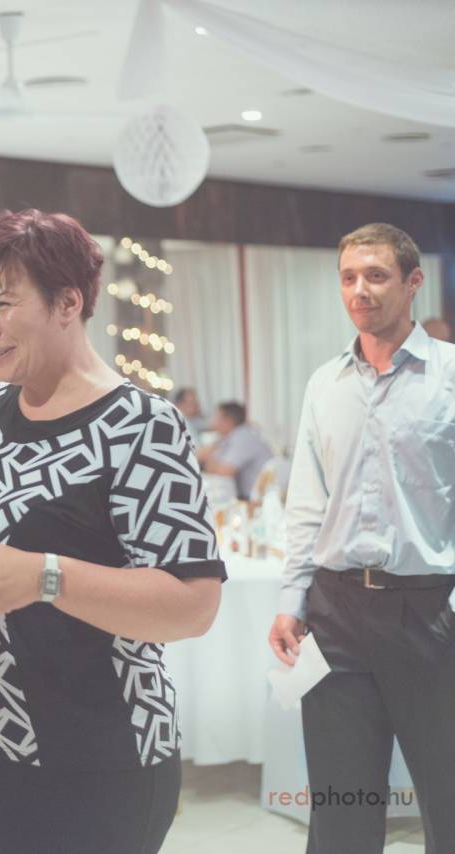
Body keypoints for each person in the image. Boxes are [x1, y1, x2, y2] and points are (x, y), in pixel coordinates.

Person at [0, 209, 225, 854]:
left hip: (78, 754)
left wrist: (47, 577)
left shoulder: (141, 426)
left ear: (68, 302)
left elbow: (193, 605)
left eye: (3, 304)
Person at [268, 223, 455, 854]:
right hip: (336, 613)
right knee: (341, 808)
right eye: (348, 277)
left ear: (413, 281)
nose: (359, 290)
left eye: (376, 275)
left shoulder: (451, 375)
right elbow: (307, 503)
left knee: (449, 800)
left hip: (430, 612)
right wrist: (292, 600)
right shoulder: (325, 384)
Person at [198, 400, 273, 499]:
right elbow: (202, 456)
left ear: (227, 421)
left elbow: (225, 471)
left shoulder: (243, 437)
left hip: (256, 500)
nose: (214, 422)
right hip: (248, 496)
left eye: (217, 418)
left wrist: (207, 462)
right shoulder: (231, 437)